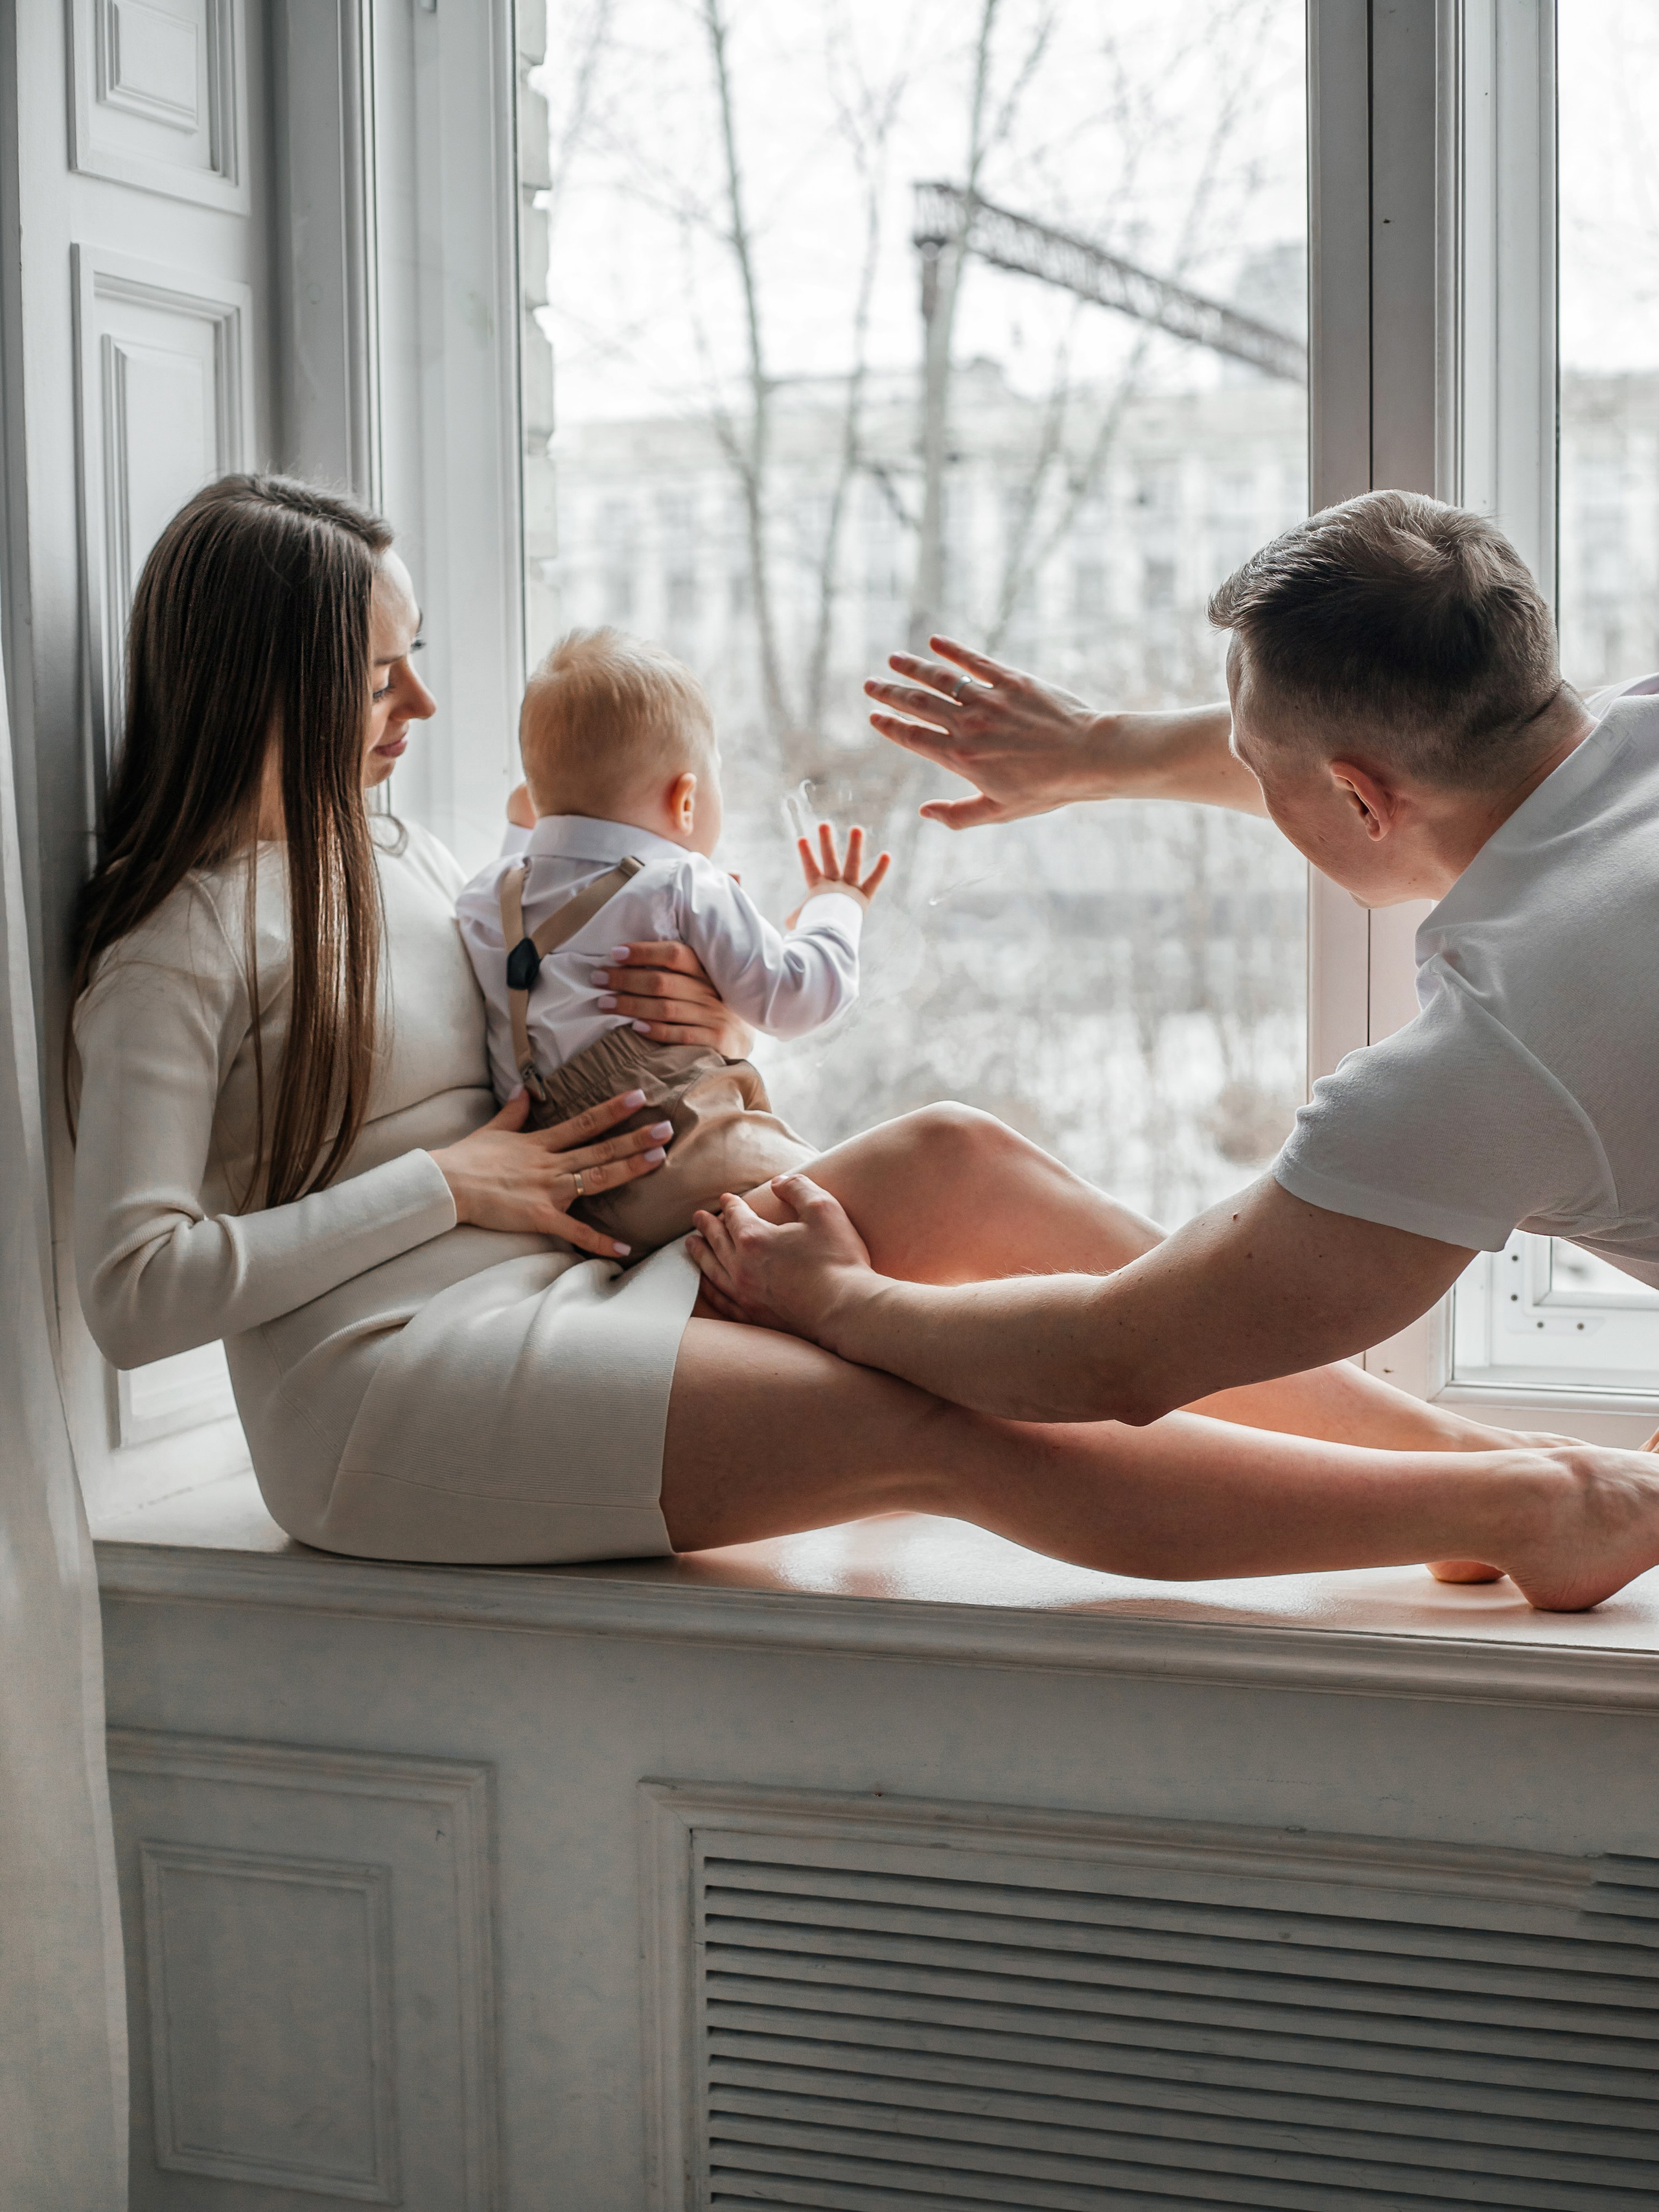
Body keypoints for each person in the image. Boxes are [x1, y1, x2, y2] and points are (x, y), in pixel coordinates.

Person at [65, 473, 1659, 1606]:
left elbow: (526, 1036)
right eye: (377, 674)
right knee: (934, 1421)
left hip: (568, 1266)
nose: (418, 703)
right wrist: (452, 1185)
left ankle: (1466, 1471)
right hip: (395, 1384)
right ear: (269, 688)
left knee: (954, 1155)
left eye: (416, 657)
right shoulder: (173, 944)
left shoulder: (411, 858)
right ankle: (1530, 1501)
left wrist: (686, 1034)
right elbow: (136, 1297)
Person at [686, 490, 1659, 1589]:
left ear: (1360, 799)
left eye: (1259, 770)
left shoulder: (1493, 1051)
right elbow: (1371, 758)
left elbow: (1121, 1353)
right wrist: (1096, 751)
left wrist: (840, 1300)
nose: (1250, 783)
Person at [454, 627, 889, 1257]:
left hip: (559, 1182)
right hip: (686, 1159)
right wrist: (835, 904)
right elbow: (797, 997)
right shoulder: (680, 883)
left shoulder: (482, 898)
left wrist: (529, 826)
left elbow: (521, 870)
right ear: (685, 800)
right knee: (869, 1203)